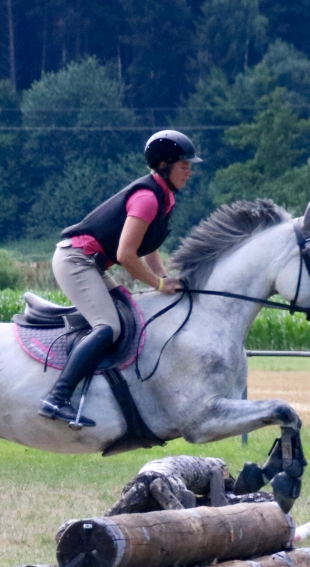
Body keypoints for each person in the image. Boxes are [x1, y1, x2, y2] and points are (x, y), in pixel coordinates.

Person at [39, 129, 200, 427]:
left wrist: (166, 278)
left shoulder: (163, 197)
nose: (189, 171)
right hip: (76, 260)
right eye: (184, 165)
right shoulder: (148, 199)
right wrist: (160, 285)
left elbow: (147, 247)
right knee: (109, 326)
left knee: (132, 315)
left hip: (91, 264)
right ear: (164, 166)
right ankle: (56, 398)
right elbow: (127, 255)